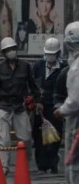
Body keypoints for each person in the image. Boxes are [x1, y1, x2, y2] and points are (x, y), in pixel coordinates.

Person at [0, 35, 42, 174]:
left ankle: (25, 163)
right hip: (4, 106)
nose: (11, 51)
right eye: (8, 49)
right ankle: (4, 166)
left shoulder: (25, 66)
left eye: (13, 49)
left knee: (26, 137)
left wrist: (38, 100)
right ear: (4, 53)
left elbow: (33, 85)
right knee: (4, 139)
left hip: (20, 106)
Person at [55, 23, 79, 184]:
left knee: (73, 169)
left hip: (76, 123)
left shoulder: (76, 68)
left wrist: (61, 111)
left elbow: (75, 100)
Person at [32, 36, 66, 173]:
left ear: (58, 54)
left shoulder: (63, 68)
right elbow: (33, 84)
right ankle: (41, 165)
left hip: (55, 107)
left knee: (54, 136)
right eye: (48, 54)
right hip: (40, 107)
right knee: (38, 136)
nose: (50, 57)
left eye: (53, 54)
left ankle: (53, 162)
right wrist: (36, 101)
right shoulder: (38, 66)